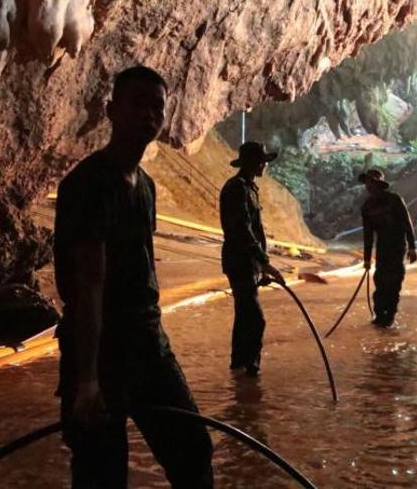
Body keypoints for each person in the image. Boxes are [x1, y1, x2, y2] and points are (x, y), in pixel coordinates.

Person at [53, 66, 213, 488]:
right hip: (100, 349)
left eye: (157, 107)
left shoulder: (145, 185)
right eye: (137, 104)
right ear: (111, 110)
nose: (148, 115)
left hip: (147, 343)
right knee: (101, 474)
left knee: (193, 449)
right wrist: (87, 381)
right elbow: (89, 284)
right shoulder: (88, 183)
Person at [219, 141, 285, 377]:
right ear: (250, 163)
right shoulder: (236, 188)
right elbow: (242, 231)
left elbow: (253, 230)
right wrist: (265, 261)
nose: (264, 165)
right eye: (261, 161)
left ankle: (238, 367)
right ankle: (250, 370)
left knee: (245, 315)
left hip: (248, 262)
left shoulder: (248, 188)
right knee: (256, 319)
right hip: (240, 262)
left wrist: (261, 266)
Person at [359, 169, 417, 326]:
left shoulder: (394, 199)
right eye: (366, 183)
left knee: (394, 281)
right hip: (382, 247)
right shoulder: (367, 207)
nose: (368, 186)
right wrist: (366, 259)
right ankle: (379, 315)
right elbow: (368, 235)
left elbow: (407, 222)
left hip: (398, 246)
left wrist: (412, 247)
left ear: (378, 183)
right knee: (380, 280)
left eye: (371, 182)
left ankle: (390, 315)